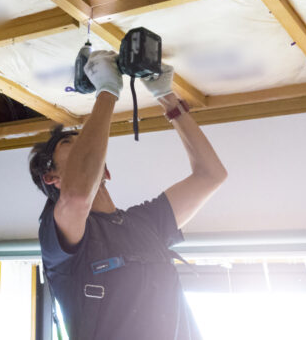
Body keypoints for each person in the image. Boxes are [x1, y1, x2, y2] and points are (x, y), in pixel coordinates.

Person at [28, 50, 227, 339]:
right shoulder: (57, 235)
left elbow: (211, 175)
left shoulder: (145, 223)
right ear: (52, 178)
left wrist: (168, 99)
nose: (89, 146)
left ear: (105, 172)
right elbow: (77, 198)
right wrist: (107, 91)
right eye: (74, 143)